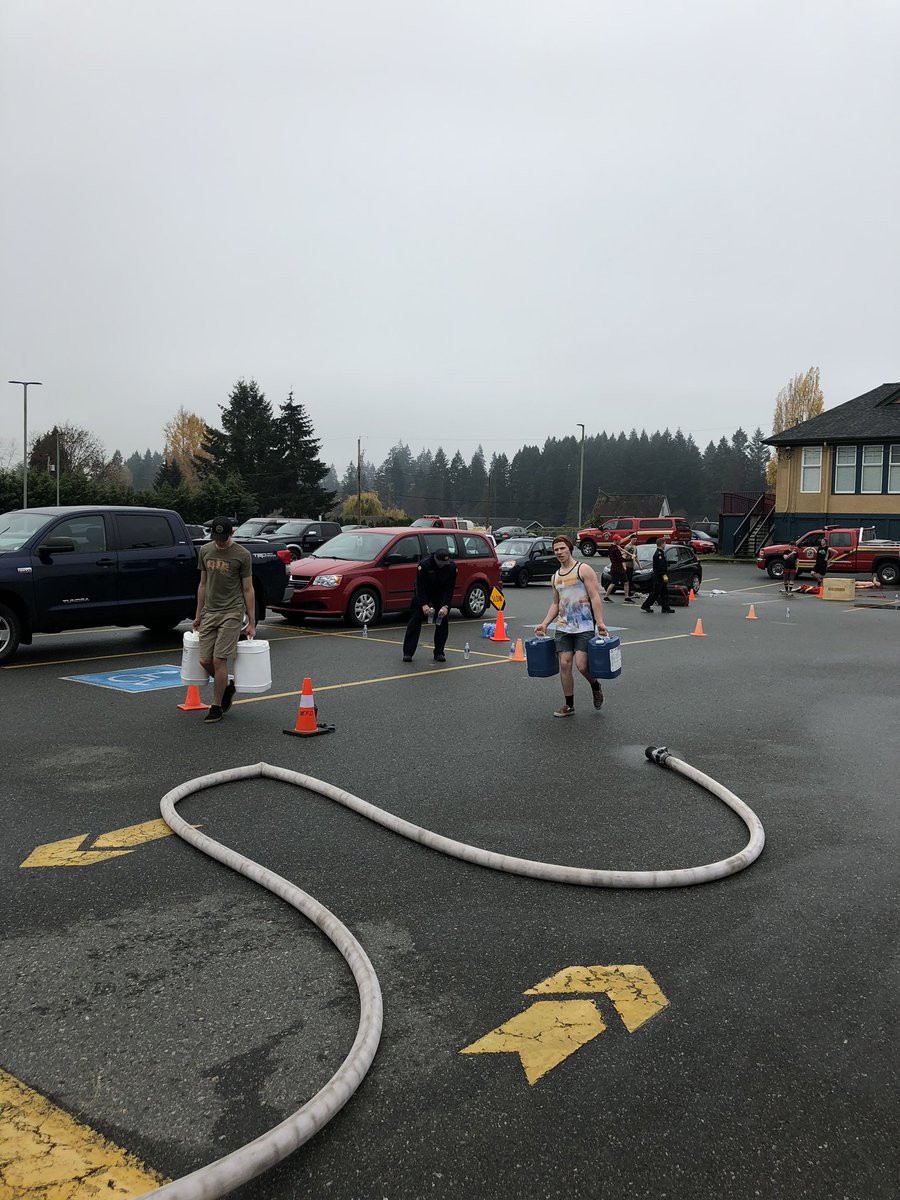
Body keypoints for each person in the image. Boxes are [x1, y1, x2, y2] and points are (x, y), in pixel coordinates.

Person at [534, 535, 608, 717]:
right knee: (565, 665)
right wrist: (544, 623)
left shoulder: (583, 569)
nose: (559, 552)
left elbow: (595, 596)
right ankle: (569, 705)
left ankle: (595, 685)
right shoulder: (555, 577)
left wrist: (599, 622)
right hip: (563, 627)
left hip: (584, 626)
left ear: (569, 549)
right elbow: (556, 604)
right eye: (556, 550)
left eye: (562, 548)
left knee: (582, 666)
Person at [193, 516, 256, 723]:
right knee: (205, 660)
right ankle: (227, 687)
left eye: (223, 538)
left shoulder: (242, 555)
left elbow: (248, 588)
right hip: (210, 612)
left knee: (219, 659)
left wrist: (252, 622)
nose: (219, 542)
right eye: (216, 538)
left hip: (232, 612)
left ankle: (216, 706)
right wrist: (198, 614)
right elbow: (203, 584)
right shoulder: (205, 551)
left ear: (232, 533)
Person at [403, 546, 457, 662]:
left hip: (440, 595)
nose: (443, 565)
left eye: (445, 563)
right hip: (424, 594)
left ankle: (439, 652)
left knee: (442, 622)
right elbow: (419, 586)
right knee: (414, 622)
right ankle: (408, 652)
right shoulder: (424, 565)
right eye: (441, 562)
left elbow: (450, 588)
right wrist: (423, 604)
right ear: (435, 558)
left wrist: (446, 605)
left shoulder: (452, 567)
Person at [641, 536, 675, 614]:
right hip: (659, 576)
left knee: (664, 592)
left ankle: (665, 608)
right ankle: (646, 605)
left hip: (661, 575)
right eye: (664, 543)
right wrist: (663, 574)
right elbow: (660, 566)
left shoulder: (661, 553)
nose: (665, 545)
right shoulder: (659, 554)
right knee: (655, 592)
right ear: (661, 544)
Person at [603, 534, 634, 603]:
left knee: (626, 582)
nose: (620, 541)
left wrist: (619, 549)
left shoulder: (612, 547)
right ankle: (606, 597)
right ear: (615, 540)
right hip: (618, 569)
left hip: (616, 568)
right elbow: (621, 559)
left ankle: (626, 597)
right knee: (613, 583)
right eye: (618, 540)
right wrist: (631, 558)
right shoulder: (615, 549)